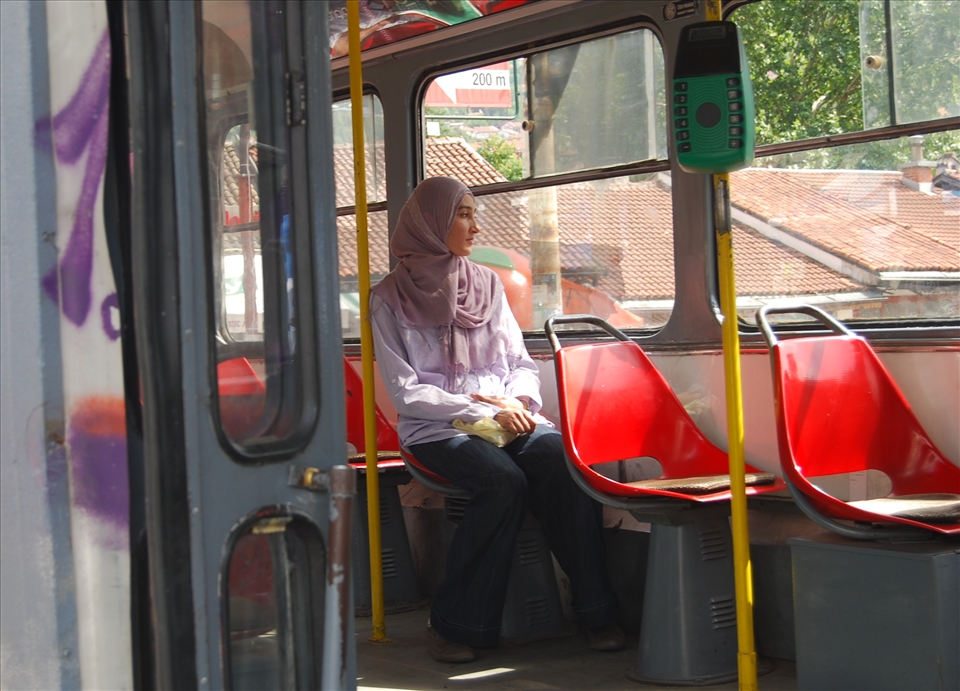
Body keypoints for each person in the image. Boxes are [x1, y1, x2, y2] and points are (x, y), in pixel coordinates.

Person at [369, 176, 624, 663]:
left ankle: (597, 612)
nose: (474, 226)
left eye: (472, 213)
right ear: (429, 225)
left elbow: (520, 365)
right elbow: (407, 393)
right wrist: (485, 408)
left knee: (560, 461)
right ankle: (456, 623)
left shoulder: (486, 284)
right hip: (436, 428)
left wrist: (520, 405)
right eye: (462, 214)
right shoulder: (388, 298)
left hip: (507, 416)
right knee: (500, 482)